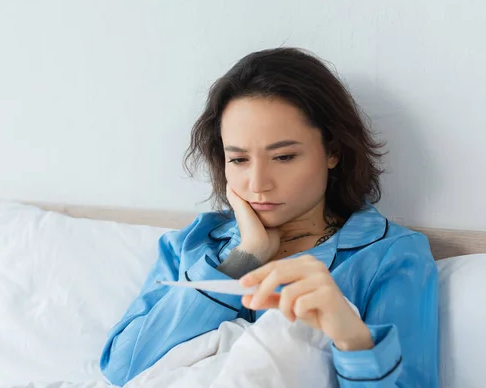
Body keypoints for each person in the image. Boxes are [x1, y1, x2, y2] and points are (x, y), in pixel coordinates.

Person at [99, 48, 438, 387]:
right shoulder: (192, 244)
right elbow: (122, 368)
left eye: (284, 156)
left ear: (332, 151)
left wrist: (353, 340)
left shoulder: (390, 256)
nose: (259, 184)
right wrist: (244, 257)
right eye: (239, 160)